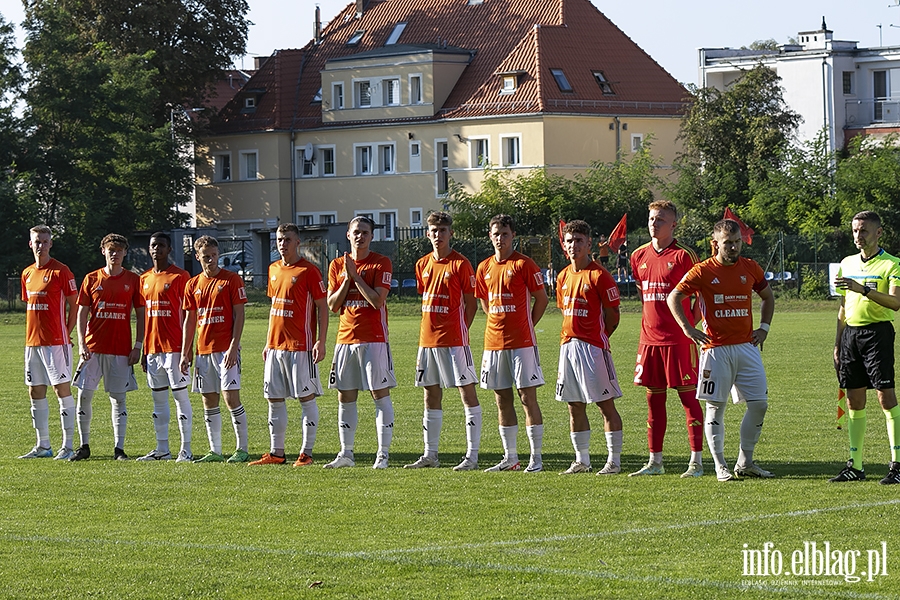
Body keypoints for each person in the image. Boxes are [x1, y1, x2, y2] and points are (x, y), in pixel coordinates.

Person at [667, 219, 775, 482]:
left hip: (747, 347)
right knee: (716, 407)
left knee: (759, 404)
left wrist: (764, 328)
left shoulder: (750, 267)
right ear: (715, 244)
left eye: (737, 242)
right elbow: (674, 297)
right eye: (728, 243)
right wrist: (687, 328)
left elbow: (768, 296)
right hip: (715, 349)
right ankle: (720, 465)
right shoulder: (702, 271)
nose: (734, 247)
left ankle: (745, 462)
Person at [629, 201, 705, 478]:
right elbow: (642, 294)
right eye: (651, 219)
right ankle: (655, 462)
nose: (654, 223)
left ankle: (696, 462)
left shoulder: (685, 256)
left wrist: (688, 327)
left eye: (660, 219)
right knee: (653, 403)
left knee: (689, 401)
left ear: (673, 224)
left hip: (678, 342)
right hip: (649, 342)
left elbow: (699, 298)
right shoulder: (638, 256)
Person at [404, 211, 482, 471]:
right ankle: (430, 455)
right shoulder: (422, 264)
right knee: (430, 394)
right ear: (427, 233)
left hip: (455, 341)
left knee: (466, 393)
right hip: (427, 341)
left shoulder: (460, 265)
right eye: (433, 231)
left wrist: (461, 330)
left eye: (442, 230)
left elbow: (471, 304)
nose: (438, 235)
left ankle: (471, 456)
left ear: (451, 233)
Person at [250, 223, 328, 466]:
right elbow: (274, 309)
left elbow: (322, 307)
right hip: (275, 347)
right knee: (274, 398)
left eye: (287, 239)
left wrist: (320, 341)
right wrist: (267, 342)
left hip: (300, 346)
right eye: (279, 239)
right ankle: (277, 452)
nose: (282, 244)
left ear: (297, 242)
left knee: (306, 398)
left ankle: (307, 453)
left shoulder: (309, 271)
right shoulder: (273, 269)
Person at [830, 211, 900, 484]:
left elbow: (895, 303)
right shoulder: (846, 263)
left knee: (885, 396)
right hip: (851, 336)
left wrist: (863, 289)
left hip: (878, 334)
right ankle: (856, 465)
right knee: (854, 399)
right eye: (855, 230)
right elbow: (842, 306)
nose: (859, 236)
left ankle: (897, 464)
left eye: (864, 231)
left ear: (878, 233)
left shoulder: (892, 264)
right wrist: (837, 342)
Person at [476, 214, 548, 472]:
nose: (500, 238)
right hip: (493, 344)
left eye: (505, 234)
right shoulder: (483, 267)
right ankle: (511, 457)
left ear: (513, 236)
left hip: (522, 343)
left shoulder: (524, 264)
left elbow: (542, 299)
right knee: (501, 399)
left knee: (528, 397)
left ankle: (536, 458)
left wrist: (526, 322)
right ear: (490, 236)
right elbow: (484, 302)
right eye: (496, 234)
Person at [325, 216, 396, 469]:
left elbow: (377, 301)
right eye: (356, 232)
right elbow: (333, 305)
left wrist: (355, 277)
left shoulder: (381, 262)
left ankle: (383, 454)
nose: (360, 236)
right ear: (348, 235)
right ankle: (346, 454)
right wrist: (347, 278)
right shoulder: (336, 265)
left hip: (374, 339)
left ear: (372, 236)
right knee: (345, 396)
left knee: (379, 394)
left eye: (365, 232)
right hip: (345, 339)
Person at [555, 220, 624, 474]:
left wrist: (600, 337)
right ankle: (582, 460)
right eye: (569, 240)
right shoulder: (562, 276)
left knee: (605, 404)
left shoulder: (599, 275)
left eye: (579, 240)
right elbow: (563, 309)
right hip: (568, 346)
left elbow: (613, 315)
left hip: (593, 348)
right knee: (574, 404)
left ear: (589, 243)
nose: (574, 245)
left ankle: (614, 461)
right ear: (565, 244)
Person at [71, 234, 144, 461]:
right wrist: (82, 342)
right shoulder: (91, 278)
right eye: (111, 249)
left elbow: (141, 315)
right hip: (93, 348)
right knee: (84, 395)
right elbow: (82, 313)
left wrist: (137, 345)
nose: (115, 253)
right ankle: (84, 446)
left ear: (125, 253)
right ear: (103, 251)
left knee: (118, 398)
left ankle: (119, 449)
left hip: (121, 349)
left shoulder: (133, 279)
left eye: (119, 250)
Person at [180, 235, 249, 463]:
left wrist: (233, 346)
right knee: (209, 400)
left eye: (214, 256)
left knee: (231, 398)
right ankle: (215, 451)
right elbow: (190, 321)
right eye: (206, 256)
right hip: (203, 351)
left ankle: (242, 449)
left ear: (218, 255)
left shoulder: (231, 280)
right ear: (197, 256)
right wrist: (185, 352)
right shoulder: (192, 284)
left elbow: (240, 315)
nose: (210, 260)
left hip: (225, 350)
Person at [20, 225, 79, 460]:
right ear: (30, 244)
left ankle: (68, 446)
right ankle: (43, 445)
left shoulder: (61, 271)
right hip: (32, 342)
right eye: (37, 241)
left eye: (45, 241)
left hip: (56, 342)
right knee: (35, 391)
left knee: (61, 390)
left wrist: (67, 330)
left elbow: (75, 303)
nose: (40, 245)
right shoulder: (26, 273)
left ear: (51, 244)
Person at [137, 232, 192, 462]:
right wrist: (143, 350)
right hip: (152, 349)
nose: (156, 249)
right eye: (153, 245)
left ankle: (186, 450)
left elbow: (190, 314)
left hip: (174, 348)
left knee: (180, 398)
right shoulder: (144, 278)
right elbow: (145, 317)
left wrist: (186, 350)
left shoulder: (181, 276)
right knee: (158, 401)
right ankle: (162, 449)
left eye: (161, 245)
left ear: (169, 249)